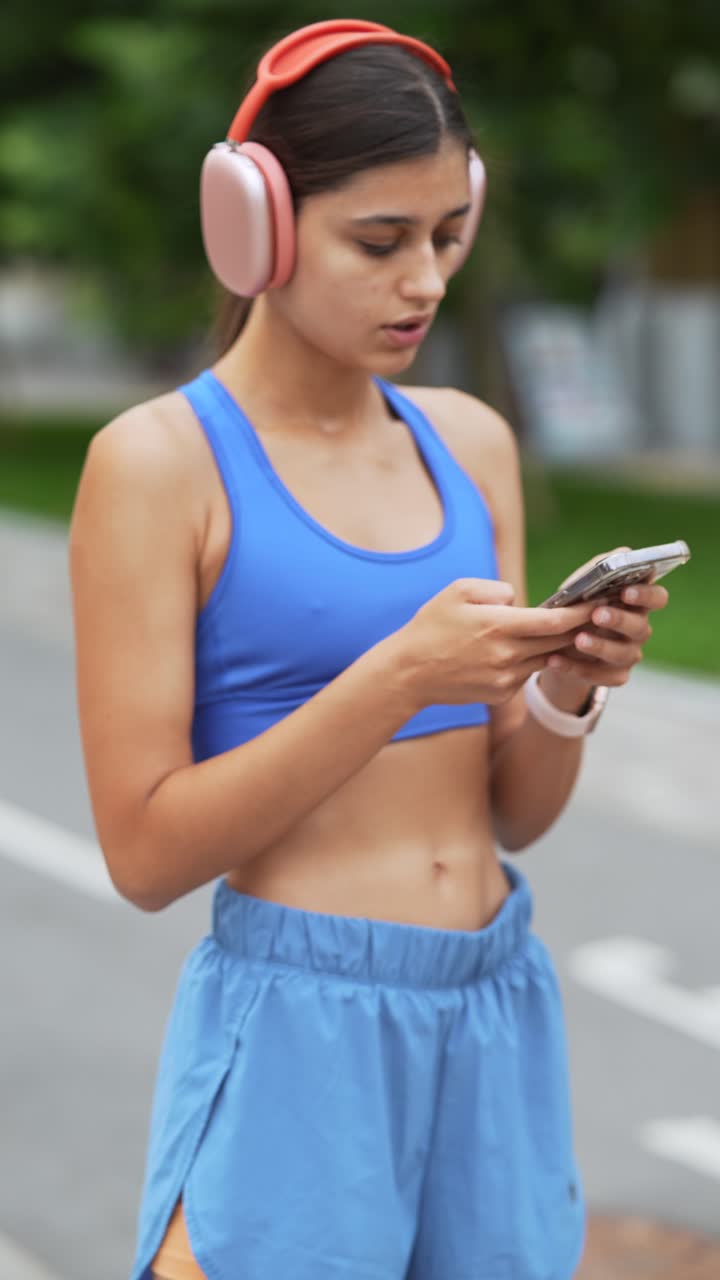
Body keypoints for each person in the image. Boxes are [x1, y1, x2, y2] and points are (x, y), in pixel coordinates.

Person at [68, 19, 669, 1280]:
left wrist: (565, 688)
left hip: (496, 1001)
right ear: (259, 229)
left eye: (449, 236)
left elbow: (516, 811)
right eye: (381, 242)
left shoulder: (471, 441)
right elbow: (144, 850)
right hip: (299, 1021)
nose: (427, 282)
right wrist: (401, 673)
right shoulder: (160, 465)